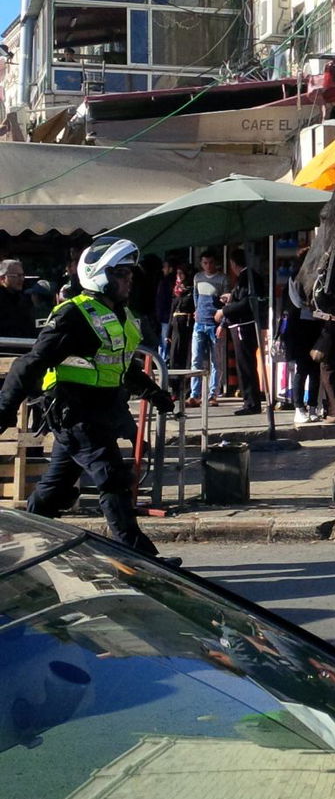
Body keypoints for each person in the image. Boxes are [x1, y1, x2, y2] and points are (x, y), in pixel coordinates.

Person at [0, 239, 176, 561]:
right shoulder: (74, 315)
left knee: (55, 489)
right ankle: (139, 558)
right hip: (76, 413)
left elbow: (122, 364)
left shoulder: (118, 314)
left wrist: (155, 392)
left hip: (102, 412)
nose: (129, 280)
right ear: (100, 275)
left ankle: (29, 531)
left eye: (129, 274)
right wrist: (5, 408)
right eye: (122, 273)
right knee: (112, 478)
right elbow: (29, 364)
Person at [217, 247, 265, 415]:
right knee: (246, 364)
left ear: (233, 264)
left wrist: (224, 311)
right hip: (244, 326)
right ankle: (250, 400)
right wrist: (232, 297)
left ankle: (251, 402)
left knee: (246, 365)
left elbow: (246, 303)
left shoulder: (247, 278)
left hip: (244, 326)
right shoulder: (249, 278)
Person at [281, 248, 322, 424]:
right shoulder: (295, 278)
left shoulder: (317, 277)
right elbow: (297, 302)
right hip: (299, 329)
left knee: (315, 369)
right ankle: (299, 407)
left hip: (313, 326)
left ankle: (312, 406)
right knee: (303, 368)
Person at [189, 248, 227, 403]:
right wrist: (196, 309)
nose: (208, 265)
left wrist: (222, 324)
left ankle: (213, 393)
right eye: (205, 263)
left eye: (211, 262)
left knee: (215, 361)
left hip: (214, 323)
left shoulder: (222, 279)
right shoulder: (197, 278)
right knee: (196, 359)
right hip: (200, 322)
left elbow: (226, 302)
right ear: (201, 264)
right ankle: (195, 394)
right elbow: (195, 295)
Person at [167, 263, 194, 374]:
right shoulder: (176, 289)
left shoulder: (191, 290)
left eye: (181, 273)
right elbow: (172, 311)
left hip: (187, 324)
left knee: (186, 352)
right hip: (175, 325)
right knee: (174, 353)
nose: (179, 276)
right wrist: (168, 332)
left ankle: (186, 384)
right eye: (177, 273)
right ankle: (174, 383)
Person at [0, 258, 36, 340]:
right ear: (2, 278)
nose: (22, 279)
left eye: (22, 275)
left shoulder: (23, 299)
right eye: (17, 276)